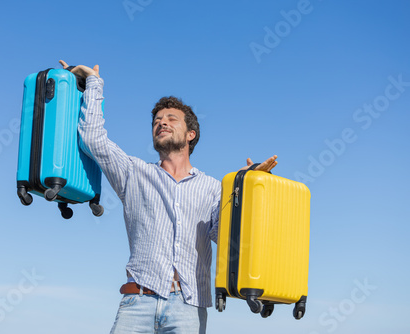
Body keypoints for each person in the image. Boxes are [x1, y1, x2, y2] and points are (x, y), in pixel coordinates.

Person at [59, 60, 278, 333]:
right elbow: (92, 138)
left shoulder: (212, 188)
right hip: (137, 302)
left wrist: (243, 189)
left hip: (188, 308)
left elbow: (227, 239)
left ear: (190, 134)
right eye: (156, 120)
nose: (161, 122)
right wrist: (93, 84)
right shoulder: (133, 172)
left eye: (171, 118)